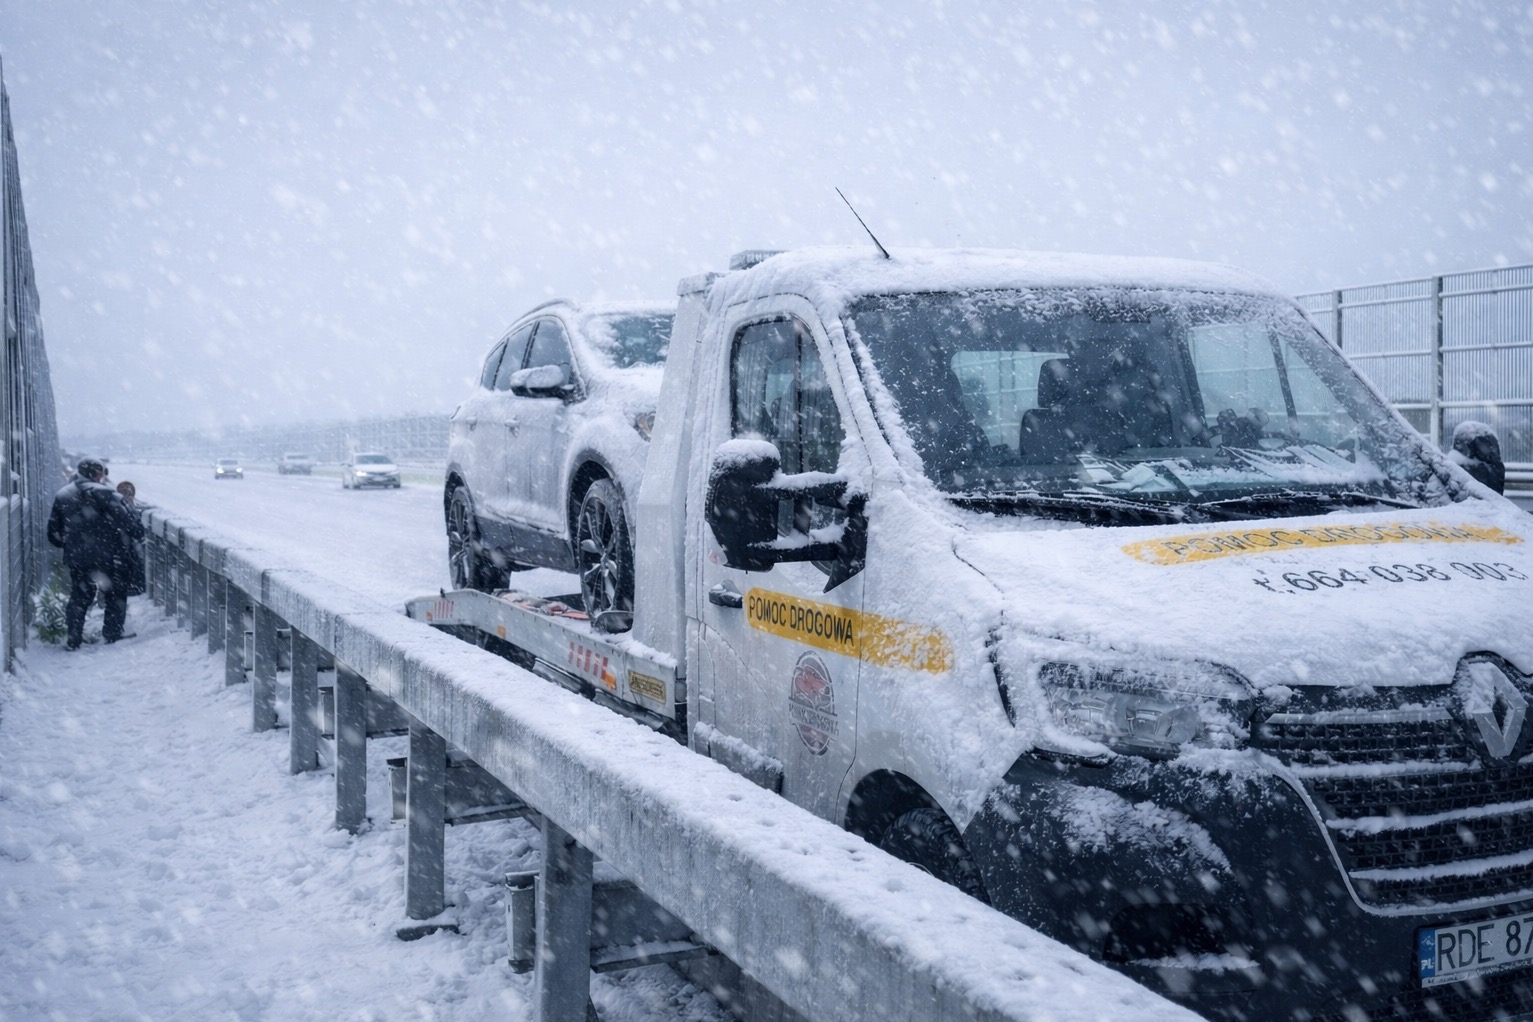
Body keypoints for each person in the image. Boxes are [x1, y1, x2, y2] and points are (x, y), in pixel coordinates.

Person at [47, 458, 145, 649]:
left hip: (77, 557)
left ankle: (73, 638)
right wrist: (137, 532)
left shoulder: (63, 495)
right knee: (114, 594)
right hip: (107, 556)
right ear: (98, 474)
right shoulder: (107, 494)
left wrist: (71, 544)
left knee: (79, 596)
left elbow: (53, 533)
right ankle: (112, 633)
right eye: (101, 473)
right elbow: (128, 523)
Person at [114, 481, 148, 598]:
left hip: (120, 553)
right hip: (126, 552)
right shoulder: (123, 510)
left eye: (128, 493)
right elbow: (135, 530)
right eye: (125, 493)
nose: (127, 496)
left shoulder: (116, 507)